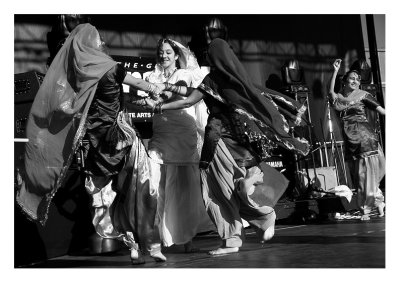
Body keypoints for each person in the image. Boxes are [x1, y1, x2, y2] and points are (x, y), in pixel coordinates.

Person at [15, 23, 167, 264]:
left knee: (108, 197)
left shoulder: (76, 73)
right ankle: (151, 244)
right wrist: (157, 89)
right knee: (139, 189)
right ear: (94, 42)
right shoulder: (109, 67)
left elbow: (92, 101)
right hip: (121, 139)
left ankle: (132, 245)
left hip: (95, 142)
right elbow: (139, 85)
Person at [145, 38, 310, 255]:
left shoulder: (212, 80)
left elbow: (188, 101)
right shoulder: (239, 81)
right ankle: (255, 224)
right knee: (237, 189)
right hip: (240, 145)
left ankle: (252, 225)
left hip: (218, 142)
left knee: (215, 192)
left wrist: (158, 107)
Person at [139, 38, 213, 252]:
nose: (164, 56)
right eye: (161, 52)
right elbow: (146, 100)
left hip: (183, 133)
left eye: (168, 52)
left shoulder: (186, 75)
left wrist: (160, 103)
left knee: (183, 188)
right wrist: (144, 102)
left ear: (176, 55)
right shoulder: (149, 77)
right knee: (155, 183)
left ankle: (187, 237)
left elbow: (189, 97)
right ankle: (157, 237)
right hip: (161, 133)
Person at [329, 59, 385, 221]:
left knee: (364, 176)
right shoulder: (337, 98)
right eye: (352, 78)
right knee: (361, 176)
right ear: (345, 81)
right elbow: (330, 90)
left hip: (365, 139)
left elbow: (382, 111)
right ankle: (378, 201)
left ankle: (365, 209)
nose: (355, 81)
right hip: (350, 141)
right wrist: (335, 71)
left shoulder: (363, 95)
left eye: (358, 79)